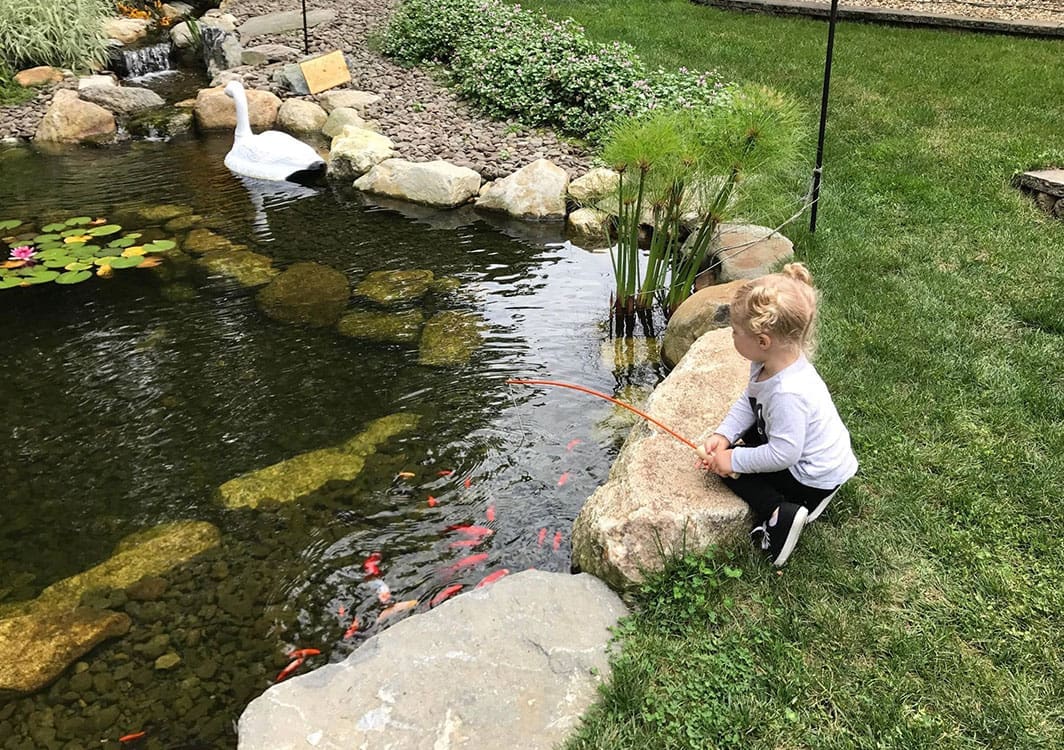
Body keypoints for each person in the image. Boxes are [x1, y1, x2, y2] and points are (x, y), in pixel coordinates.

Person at [698, 262, 858, 567]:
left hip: (811, 477)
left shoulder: (788, 393)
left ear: (762, 341)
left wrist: (732, 460)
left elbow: (784, 454)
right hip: (808, 453)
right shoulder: (769, 364)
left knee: (729, 470)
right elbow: (750, 400)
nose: (731, 336)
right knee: (734, 452)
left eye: (735, 332)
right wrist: (724, 435)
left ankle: (780, 513)